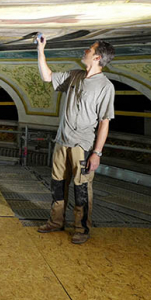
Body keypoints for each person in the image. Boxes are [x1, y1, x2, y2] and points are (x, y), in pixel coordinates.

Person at [36, 36, 115, 244]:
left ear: (97, 57)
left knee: (81, 188)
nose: (85, 51)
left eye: (89, 49)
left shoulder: (105, 86)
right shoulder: (74, 75)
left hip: (83, 145)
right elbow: (47, 77)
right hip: (62, 141)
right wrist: (41, 49)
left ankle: (82, 228)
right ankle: (56, 221)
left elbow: (105, 122)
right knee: (57, 184)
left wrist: (97, 153)